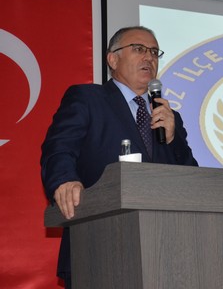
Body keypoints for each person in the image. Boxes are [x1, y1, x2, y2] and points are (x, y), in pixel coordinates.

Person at [41, 26, 198, 288]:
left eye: (154, 52)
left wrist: (173, 139)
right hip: (97, 247)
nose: (149, 57)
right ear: (113, 59)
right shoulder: (88, 98)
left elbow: (191, 177)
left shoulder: (169, 116)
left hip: (166, 252)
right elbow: (59, 148)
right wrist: (64, 180)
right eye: (138, 49)